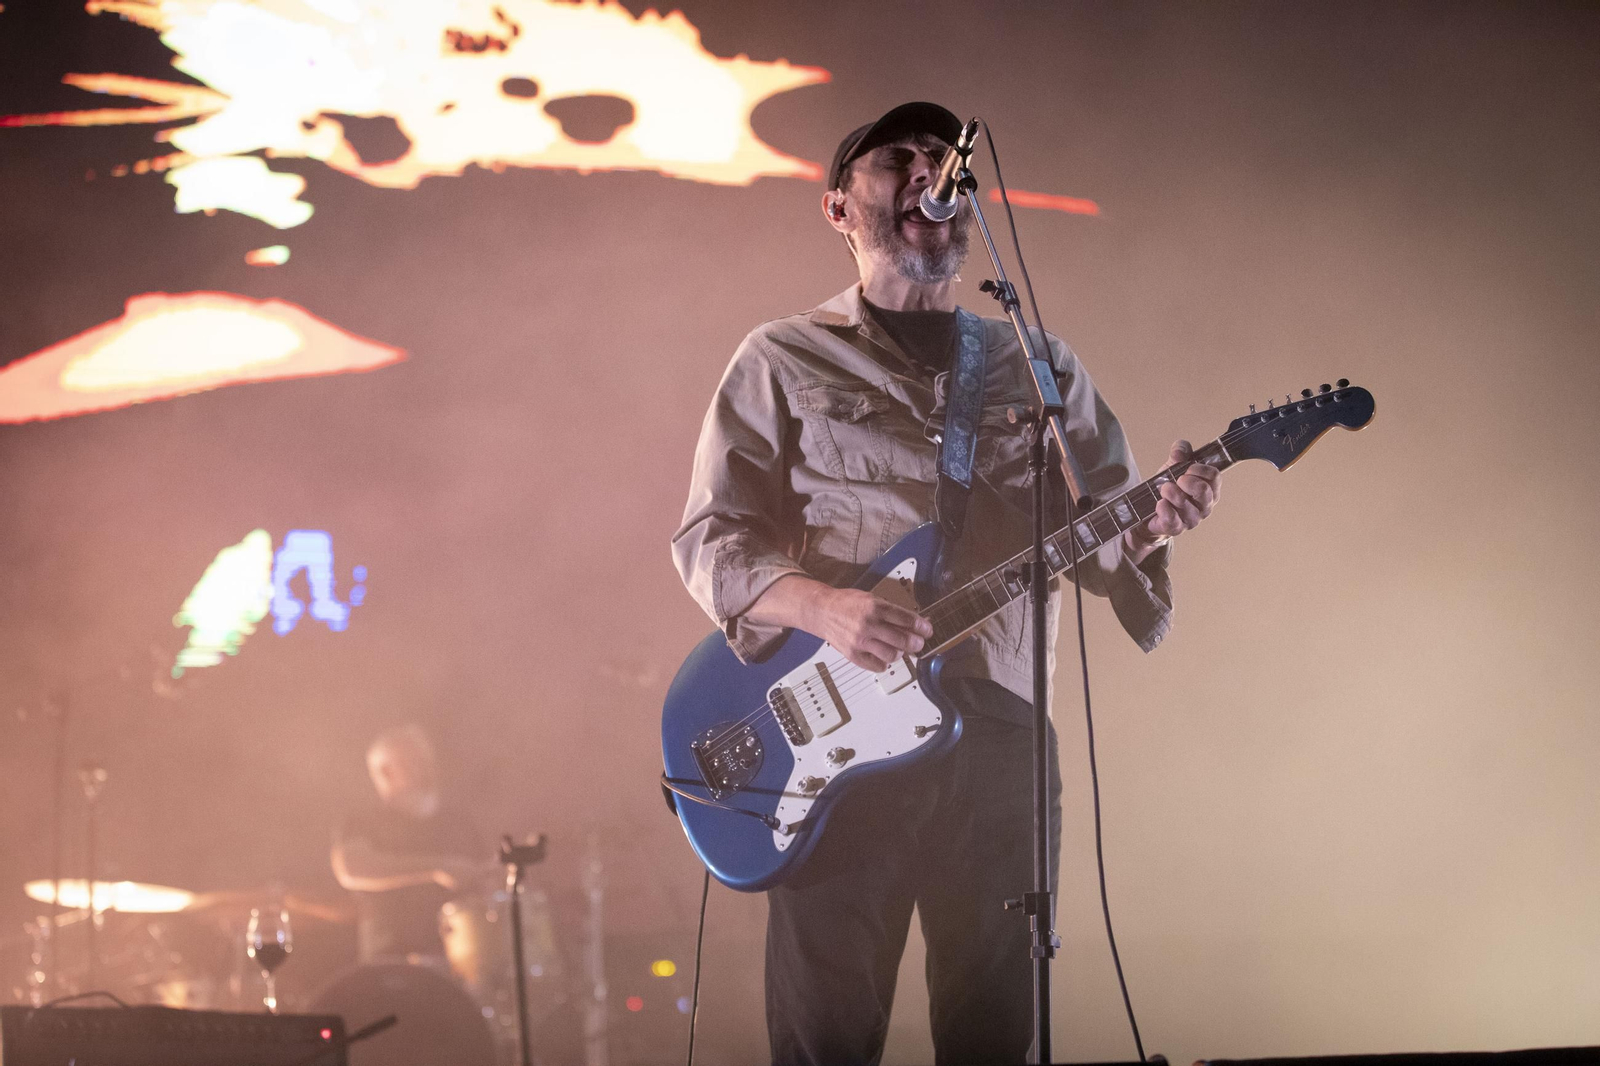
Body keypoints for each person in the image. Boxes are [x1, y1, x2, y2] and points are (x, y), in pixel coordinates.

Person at [670, 102, 1220, 1065]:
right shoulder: (782, 357)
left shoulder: (1037, 365)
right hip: (830, 749)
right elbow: (712, 539)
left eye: (943, 158)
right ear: (840, 206)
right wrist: (827, 609)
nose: (932, 171)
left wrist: (1152, 525)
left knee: (994, 1035)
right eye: (900, 159)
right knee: (827, 1038)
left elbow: (1101, 541)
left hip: (1000, 734)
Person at [330, 724, 490, 962]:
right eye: (412, 760)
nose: (425, 768)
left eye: (426, 759)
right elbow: (351, 868)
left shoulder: (458, 822)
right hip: (392, 963)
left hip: (461, 960)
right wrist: (437, 868)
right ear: (384, 772)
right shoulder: (363, 821)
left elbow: (486, 881)